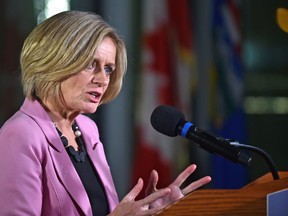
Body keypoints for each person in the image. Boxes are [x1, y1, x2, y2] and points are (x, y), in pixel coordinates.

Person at [0, 10, 211, 216]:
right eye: (91, 64)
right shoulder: (21, 135)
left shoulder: (86, 129)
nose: (103, 80)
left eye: (108, 69)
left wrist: (149, 209)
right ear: (54, 61)